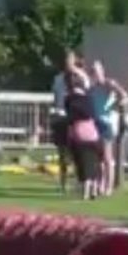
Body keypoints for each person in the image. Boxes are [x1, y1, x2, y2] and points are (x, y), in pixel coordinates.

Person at [63, 66, 102, 200]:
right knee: (94, 162)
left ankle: (85, 191)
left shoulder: (69, 100)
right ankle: (94, 189)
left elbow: (69, 118)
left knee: (82, 162)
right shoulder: (88, 98)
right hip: (92, 132)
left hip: (78, 132)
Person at [89, 60, 126, 197]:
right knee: (98, 158)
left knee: (107, 157)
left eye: (97, 71)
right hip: (95, 123)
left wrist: (114, 103)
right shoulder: (92, 88)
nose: (95, 74)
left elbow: (122, 94)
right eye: (93, 71)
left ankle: (109, 187)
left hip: (106, 123)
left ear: (102, 72)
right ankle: (101, 183)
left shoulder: (107, 85)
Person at [50, 51, 78, 193]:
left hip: (74, 119)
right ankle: (63, 183)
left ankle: (78, 182)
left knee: (76, 152)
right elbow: (56, 99)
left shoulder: (78, 78)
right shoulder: (58, 79)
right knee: (62, 154)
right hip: (61, 118)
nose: (69, 64)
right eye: (67, 61)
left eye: (71, 61)